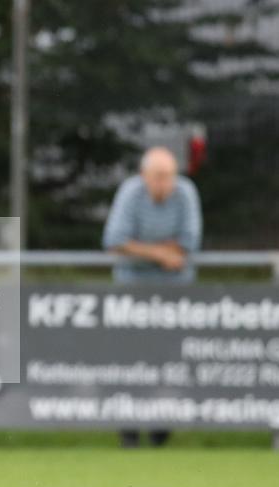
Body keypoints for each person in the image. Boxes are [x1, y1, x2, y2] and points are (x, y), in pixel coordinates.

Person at [103, 146, 203, 448]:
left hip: (173, 296)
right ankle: (129, 429)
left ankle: (161, 426)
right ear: (144, 175)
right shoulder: (130, 193)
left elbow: (188, 242)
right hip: (132, 294)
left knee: (168, 361)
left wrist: (139, 248)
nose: (165, 183)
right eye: (159, 176)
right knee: (129, 361)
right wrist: (160, 252)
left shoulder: (186, 193)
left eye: (169, 176)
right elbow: (114, 240)